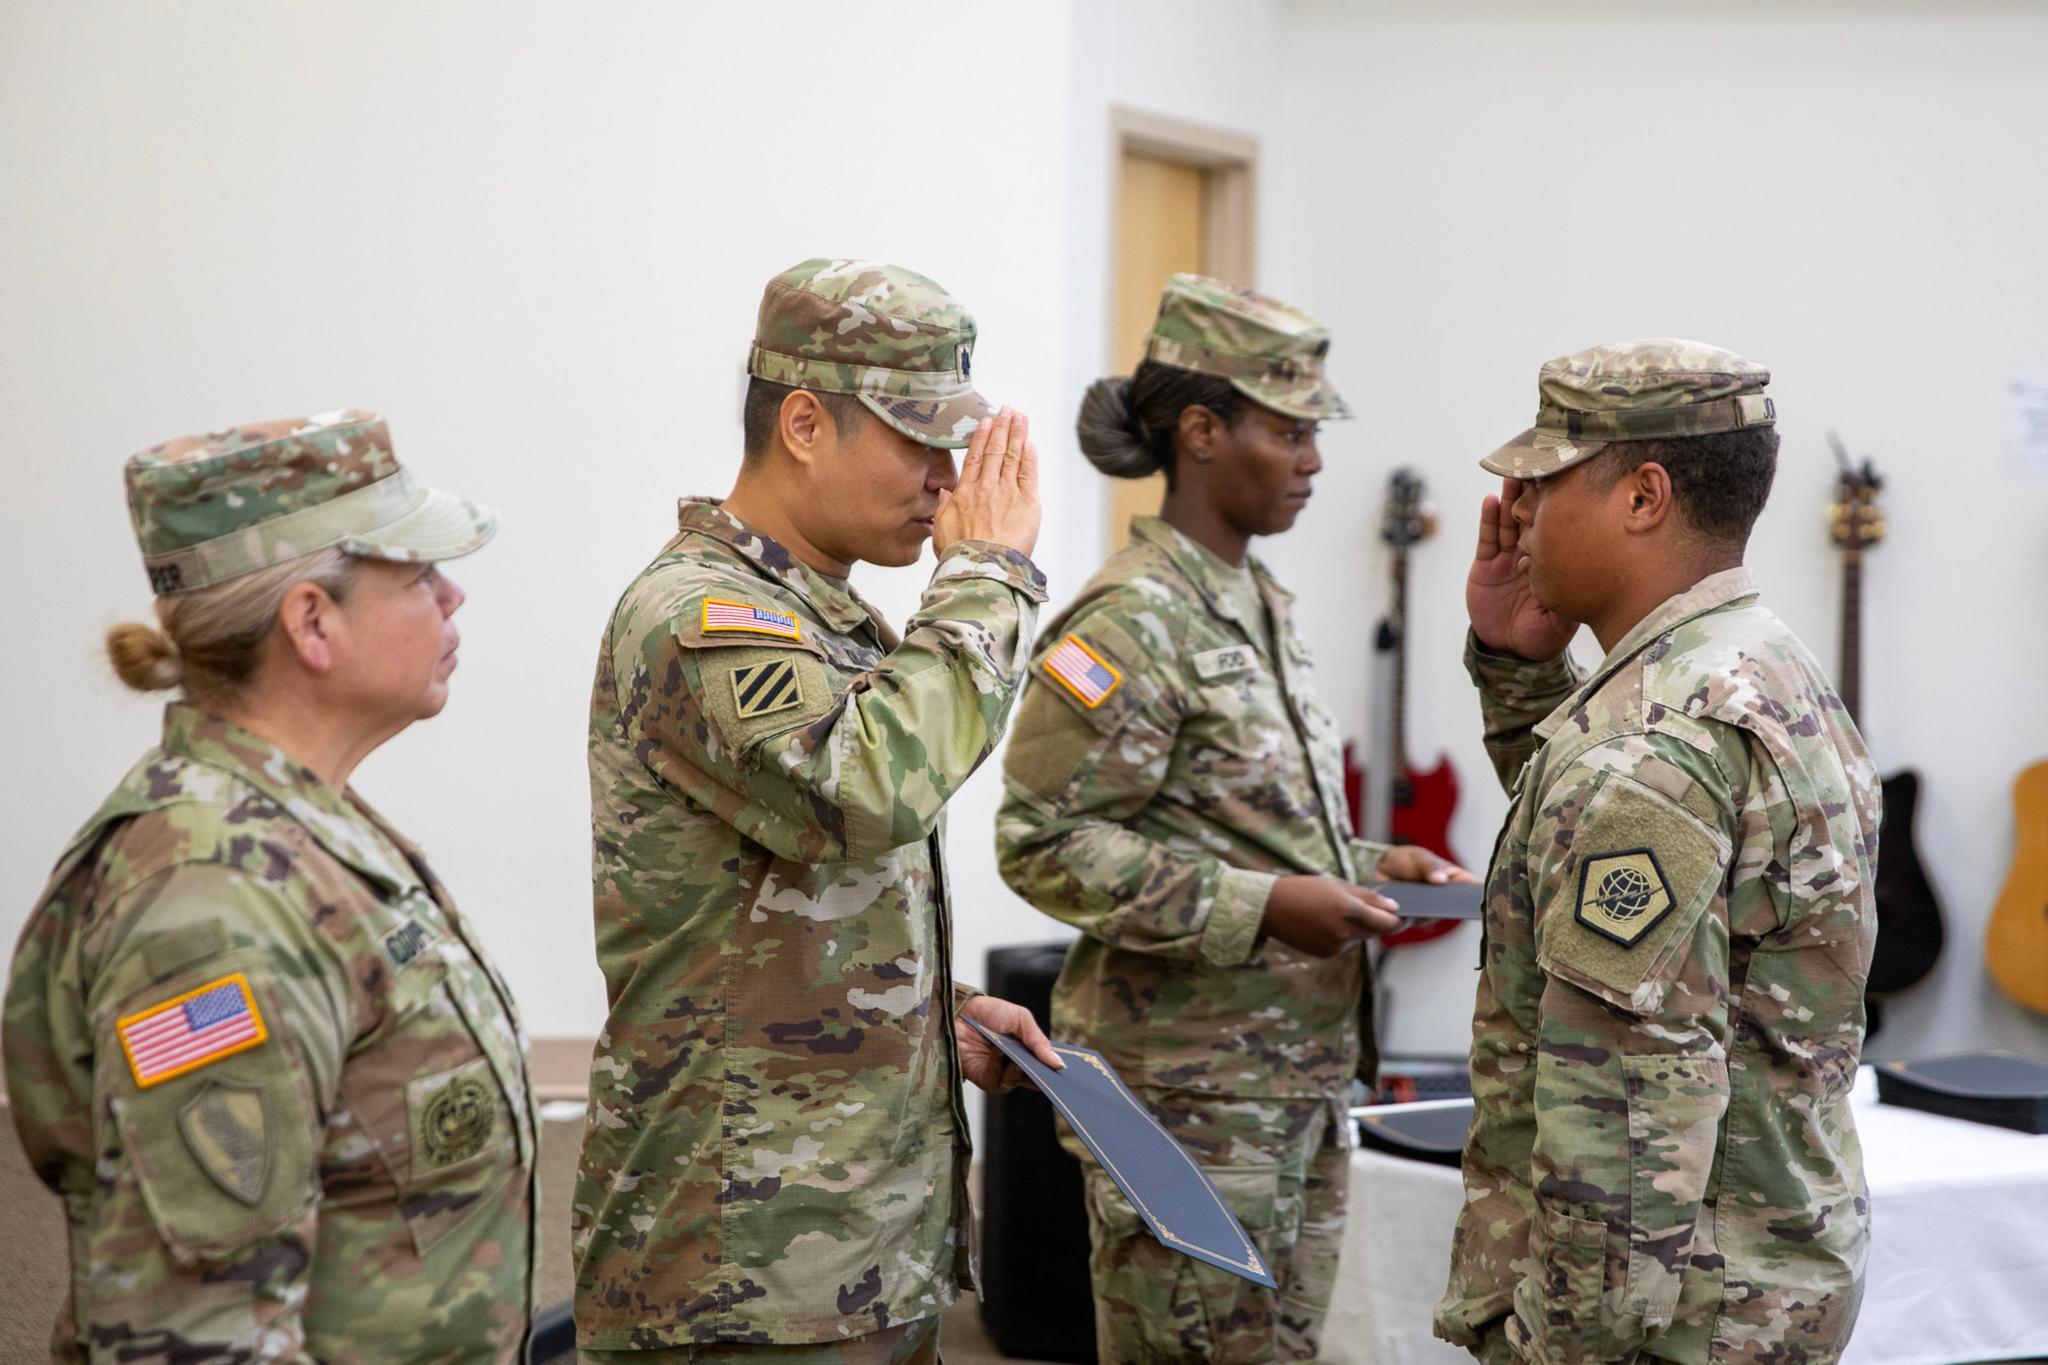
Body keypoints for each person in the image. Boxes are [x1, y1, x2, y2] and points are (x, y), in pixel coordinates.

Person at [575, 258, 1062, 1363]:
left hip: (841, 1254)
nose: (946, 479)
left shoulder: (824, 617)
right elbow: (868, 788)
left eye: (958, 447)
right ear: (803, 423)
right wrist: (986, 574)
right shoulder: (700, 615)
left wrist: (923, 1004)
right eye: (918, 441)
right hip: (739, 1272)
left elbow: (782, 905)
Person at [994, 273, 1471, 1363]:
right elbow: (1042, 843)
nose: (1311, 459)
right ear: (1201, 432)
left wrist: (1363, 863)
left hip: (1291, 1086)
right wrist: (1261, 907)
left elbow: (1235, 821)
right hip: (1187, 1104)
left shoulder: (1255, 602)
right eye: (1289, 430)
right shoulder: (1130, 621)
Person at [4, 411, 538, 1361]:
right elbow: (198, 1337)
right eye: (416, 573)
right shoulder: (214, 903)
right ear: (311, 621)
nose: (452, 595)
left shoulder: (303, 834)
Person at [1432, 341, 1880, 1364]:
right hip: (1752, 1277)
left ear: (1642, 496)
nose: (1520, 512)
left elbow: (1626, 1120)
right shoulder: (1755, 665)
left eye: (1543, 482)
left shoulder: (1650, 746)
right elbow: (1601, 863)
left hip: (1661, 1320)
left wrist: (1559, 1346)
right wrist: (1513, 665)